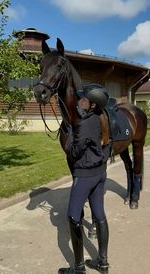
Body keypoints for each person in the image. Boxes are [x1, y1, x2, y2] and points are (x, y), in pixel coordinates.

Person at [58, 84, 110, 274]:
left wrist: (71, 131)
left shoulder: (83, 124)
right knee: (100, 215)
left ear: (92, 105)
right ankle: (102, 263)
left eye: (84, 99)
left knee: (72, 216)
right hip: (99, 172)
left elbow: (73, 152)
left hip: (85, 175)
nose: (80, 101)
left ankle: (79, 268)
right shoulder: (97, 118)